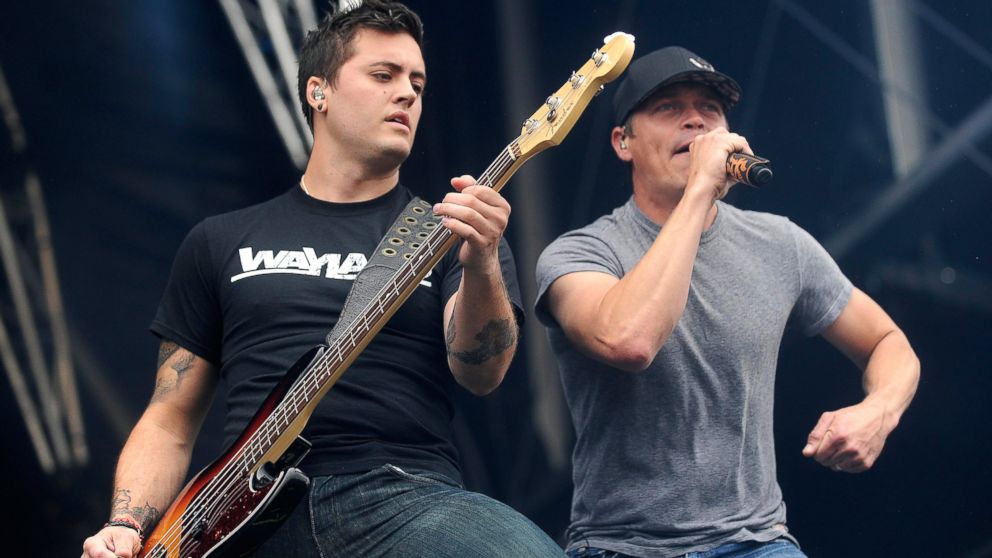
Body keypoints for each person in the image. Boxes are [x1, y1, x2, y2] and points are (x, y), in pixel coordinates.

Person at [81, 2, 565, 557]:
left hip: (398, 498)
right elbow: (169, 418)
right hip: (238, 514)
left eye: (417, 82)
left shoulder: (452, 233)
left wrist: (481, 261)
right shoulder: (218, 241)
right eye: (383, 75)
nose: (407, 93)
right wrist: (127, 523)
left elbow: (482, 373)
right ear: (319, 92)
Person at [534, 46, 920, 558]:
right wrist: (699, 192)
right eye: (668, 107)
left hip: (757, 541)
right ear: (622, 142)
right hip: (622, 546)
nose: (695, 120)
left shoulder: (781, 243)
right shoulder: (583, 253)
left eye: (710, 109)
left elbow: (889, 343)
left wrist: (879, 411)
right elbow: (629, 340)